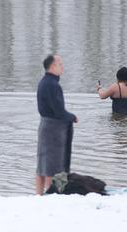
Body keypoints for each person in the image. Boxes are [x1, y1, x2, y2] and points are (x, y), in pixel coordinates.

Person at [36, 54, 78, 195]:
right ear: (53, 66)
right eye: (60, 64)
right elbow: (58, 111)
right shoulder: (52, 85)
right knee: (52, 167)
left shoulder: (44, 82)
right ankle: (51, 194)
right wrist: (72, 117)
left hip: (45, 126)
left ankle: (38, 195)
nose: (62, 66)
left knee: (42, 164)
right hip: (53, 129)